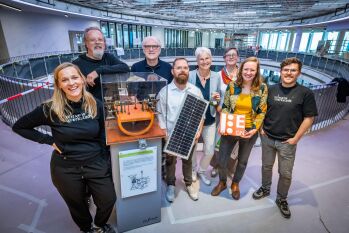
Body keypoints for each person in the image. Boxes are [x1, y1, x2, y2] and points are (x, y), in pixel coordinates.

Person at [12, 63, 116, 233]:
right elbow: (20, 126)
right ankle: (87, 229)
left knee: (108, 200)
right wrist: (48, 140)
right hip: (66, 168)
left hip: (95, 162)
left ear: (82, 79)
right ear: (59, 84)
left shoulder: (95, 104)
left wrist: (104, 158)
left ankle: (99, 225)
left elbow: (103, 133)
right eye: (65, 80)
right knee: (78, 206)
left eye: (74, 77)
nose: (71, 83)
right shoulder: (50, 108)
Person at [252, 57, 318, 219]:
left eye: (293, 70)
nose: (289, 73)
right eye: (286, 70)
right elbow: (261, 110)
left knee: (285, 173)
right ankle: (265, 188)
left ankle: (281, 198)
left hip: (287, 141)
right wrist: (260, 128)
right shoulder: (270, 89)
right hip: (267, 137)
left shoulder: (305, 93)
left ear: (298, 73)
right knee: (266, 167)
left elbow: (309, 118)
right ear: (280, 72)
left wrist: (296, 138)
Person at [211, 57, 268, 200]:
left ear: (256, 71)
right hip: (232, 126)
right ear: (241, 69)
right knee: (222, 161)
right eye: (246, 69)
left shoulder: (262, 88)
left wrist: (255, 129)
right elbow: (225, 107)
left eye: (252, 70)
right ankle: (222, 182)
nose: (248, 72)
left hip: (249, 129)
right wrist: (224, 123)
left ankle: (235, 183)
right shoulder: (232, 85)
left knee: (242, 161)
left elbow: (262, 111)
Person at [157, 57, 203, 202]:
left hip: (190, 135)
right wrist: (165, 135)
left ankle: (189, 184)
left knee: (188, 162)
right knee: (170, 162)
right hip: (170, 135)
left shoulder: (195, 91)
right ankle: (171, 184)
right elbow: (160, 116)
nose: (182, 70)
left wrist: (199, 131)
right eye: (179, 68)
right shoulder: (164, 92)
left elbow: (201, 114)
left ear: (188, 71)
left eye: (185, 67)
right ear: (173, 71)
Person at [188, 47, 220, 186]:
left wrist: (216, 99)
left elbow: (215, 100)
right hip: (192, 120)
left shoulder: (216, 76)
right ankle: (194, 170)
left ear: (211, 60)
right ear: (197, 61)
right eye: (201, 59)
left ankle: (201, 170)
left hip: (210, 119)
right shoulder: (190, 75)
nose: (204, 61)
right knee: (193, 149)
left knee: (210, 150)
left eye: (207, 58)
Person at [73, 27, 129, 101]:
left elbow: (125, 68)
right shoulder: (77, 64)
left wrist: (99, 71)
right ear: (86, 44)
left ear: (104, 43)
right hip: (91, 106)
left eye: (100, 40)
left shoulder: (108, 57)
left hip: (112, 103)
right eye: (92, 40)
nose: (97, 42)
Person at [210, 47, 240, 178]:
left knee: (234, 145)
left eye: (234, 55)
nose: (231, 57)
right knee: (218, 143)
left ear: (238, 57)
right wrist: (218, 109)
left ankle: (229, 168)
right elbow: (213, 97)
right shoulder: (217, 76)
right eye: (228, 55)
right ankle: (217, 166)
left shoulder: (243, 75)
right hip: (221, 114)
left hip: (238, 116)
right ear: (224, 58)